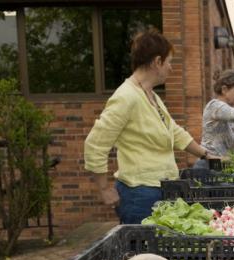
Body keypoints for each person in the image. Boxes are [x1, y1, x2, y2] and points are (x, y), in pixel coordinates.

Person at [84, 29, 214, 224]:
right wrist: (104, 189)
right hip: (139, 195)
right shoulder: (126, 97)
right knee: (143, 253)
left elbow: (174, 132)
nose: (171, 68)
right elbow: (95, 144)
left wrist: (207, 155)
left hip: (161, 190)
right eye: (169, 62)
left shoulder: (151, 95)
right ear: (157, 62)